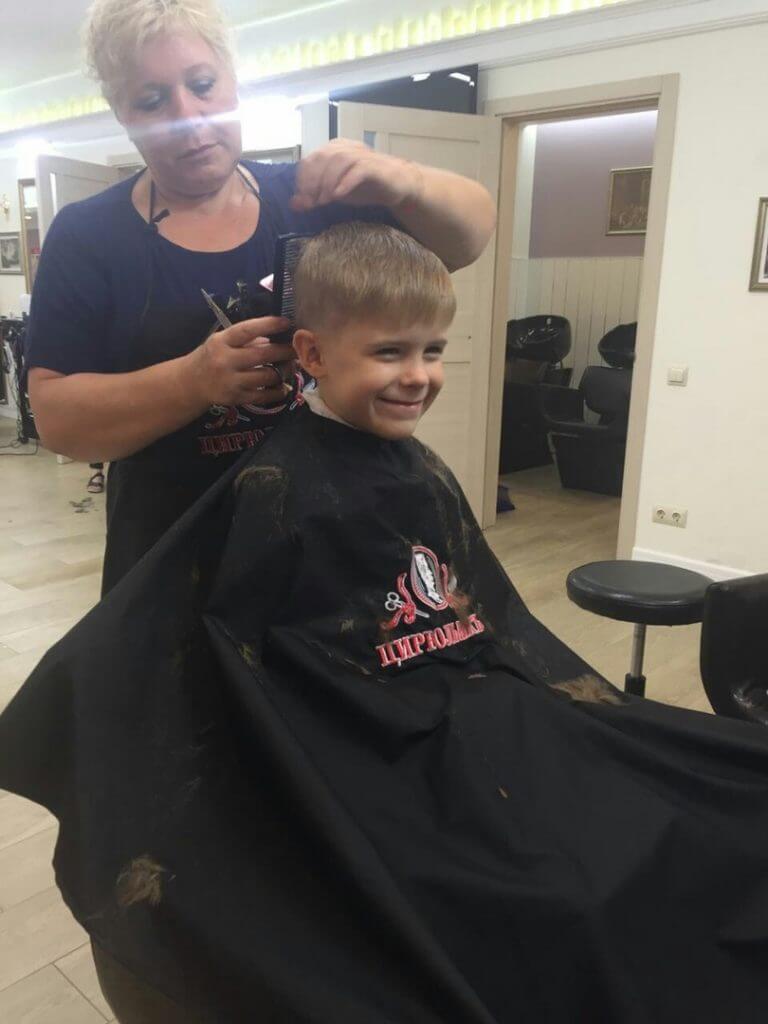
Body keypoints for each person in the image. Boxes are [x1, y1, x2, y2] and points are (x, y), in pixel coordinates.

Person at [3, 223, 768, 1023]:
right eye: (390, 352)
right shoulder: (275, 489)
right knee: (559, 891)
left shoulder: (419, 471)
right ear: (313, 353)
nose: (418, 376)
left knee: (691, 803)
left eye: (433, 351)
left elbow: (482, 615)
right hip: (371, 743)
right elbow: (263, 673)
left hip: (463, 708)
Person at [25, 0, 496, 595]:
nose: (188, 118)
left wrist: (406, 180)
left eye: (202, 86)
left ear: (232, 81)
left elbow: (467, 238)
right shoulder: (89, 235)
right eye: (152, 100)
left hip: (322, 555)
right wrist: (194, 379)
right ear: (122, 112)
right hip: (173, 562)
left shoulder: (311, 199)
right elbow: (58, 420)